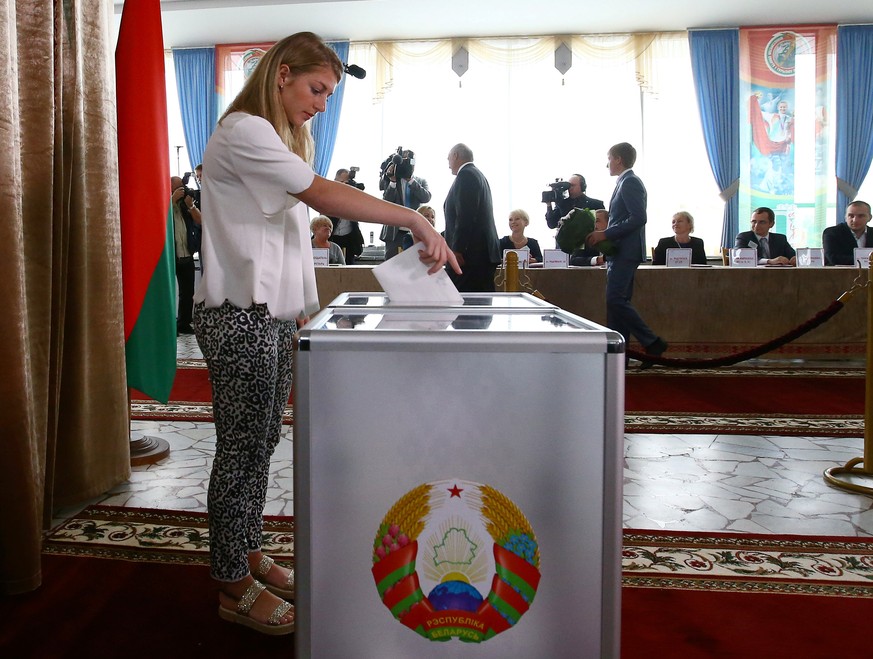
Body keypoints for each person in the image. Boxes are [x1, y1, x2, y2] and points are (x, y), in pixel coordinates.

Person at [191, 32, 458, 636]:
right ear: (281, 74)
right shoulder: (244, 130)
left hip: (268, 315)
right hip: (239, 315)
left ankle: (249, 551)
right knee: (240, 452)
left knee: (257, 448)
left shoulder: (274, 134)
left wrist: (301, 308)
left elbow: (283, 241)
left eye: (329, 96)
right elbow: (319, 193)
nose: (320, 104)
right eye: (316, 89)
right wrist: (413, 215)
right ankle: (232, 584)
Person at [586, 142, 667, 366]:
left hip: (626, 251)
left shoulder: (630, 181)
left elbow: (638, 217)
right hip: (620, 251)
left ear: (619, 159)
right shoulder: (624, 181)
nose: (607, 164)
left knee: (615, 300)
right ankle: (619, 355)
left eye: (609, 158)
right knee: (616, 303)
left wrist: (605, 234)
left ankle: (652, 342)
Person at [444, 143, 501, 292]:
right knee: (480, 306)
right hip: (479, 254)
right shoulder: (477, 174)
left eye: (448, 157)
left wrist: (457, 249)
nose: (448, 162)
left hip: (470, 257)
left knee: (464, 306)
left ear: (456, 156)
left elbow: (466, 215)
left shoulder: (466, 175)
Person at [379, 148, 431, 259]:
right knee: (392, 265)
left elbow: (426, 198)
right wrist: (392, 180)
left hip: (415, 230)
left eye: (410, 162)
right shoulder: (390, 179)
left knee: (415, 264)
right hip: (394, 231)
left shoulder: (420, 181)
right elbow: (386, 202)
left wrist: (410, 180)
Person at [170, 175, 201, 335]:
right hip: (170, 256)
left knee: (188, 292)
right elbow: (159, 218)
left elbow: (200, 221)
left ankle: (184, 323)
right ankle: (169, 325)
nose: (180, 191)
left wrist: (190, 205)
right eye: (177, 188)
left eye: (181, 187)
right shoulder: (165, 204)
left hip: (187, 254)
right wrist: (171, 200)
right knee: (168, 292)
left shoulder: (185, 206)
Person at [328, 168, 365, 264]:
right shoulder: (329, 193)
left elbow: (361, 208)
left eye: (346, 182)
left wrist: (354, 190)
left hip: (349, 239)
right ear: (335, 181)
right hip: (332, 237)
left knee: (349, 267)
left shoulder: (353, 193)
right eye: (342, 182)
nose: (345, 185)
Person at [823, 200, 872, 266]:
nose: (855, 220)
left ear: (870, 218)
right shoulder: (832, 233)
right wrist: (867, 260)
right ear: (845, 217)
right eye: (851, 216)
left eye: (860, 216)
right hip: (840, 274)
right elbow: (833, 258)